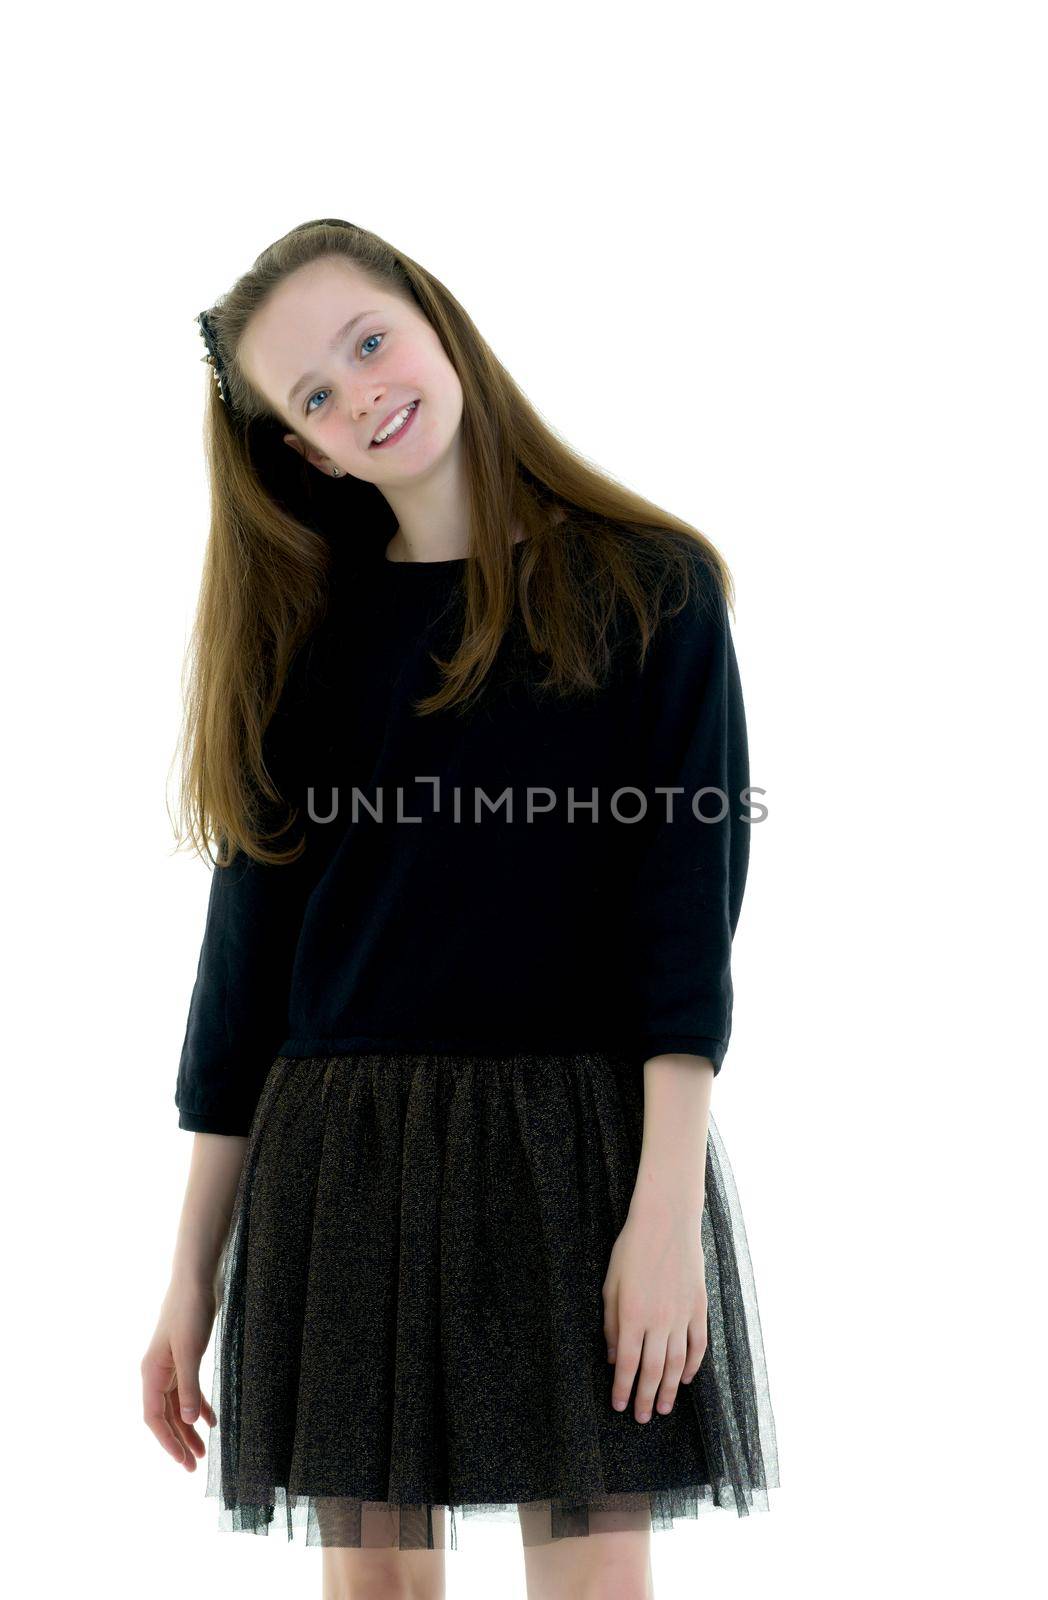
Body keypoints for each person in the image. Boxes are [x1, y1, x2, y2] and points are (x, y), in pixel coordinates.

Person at [141, 218, 779, 1600]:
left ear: (434, 319)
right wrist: (191, 1272)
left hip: (576, 1148)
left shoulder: (648, 587)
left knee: (597, 1575)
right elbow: (242, 980)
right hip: (344, 1160)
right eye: (314, 394)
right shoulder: (301, 637)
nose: (360, 391)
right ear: (305, 450)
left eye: (367, 341)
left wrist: (663, 1208)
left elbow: (685, 922)